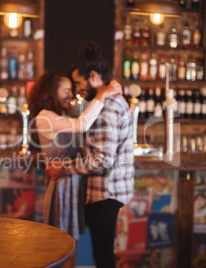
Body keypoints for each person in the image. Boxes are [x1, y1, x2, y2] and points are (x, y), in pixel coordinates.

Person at [45, 41, 135, 268]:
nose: (77, 90)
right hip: (104, 190)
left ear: (93, 76)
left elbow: (102, 158)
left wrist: (63, 167)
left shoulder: (109, 107)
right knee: (102, 254)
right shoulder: (106, 101)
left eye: (78, 83)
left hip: (105, 191)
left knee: (103, 256)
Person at [28, 70, 122, 267]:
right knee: (61, 250)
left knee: (71, 249)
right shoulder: (45, 116)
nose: (70, 94)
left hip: (73, 183)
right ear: (51, 92)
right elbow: (82, 124)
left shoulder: (60, 114)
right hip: (62, 186)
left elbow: (89, 110)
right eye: (66, 90)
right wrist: (102, 94)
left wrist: (111, 90)